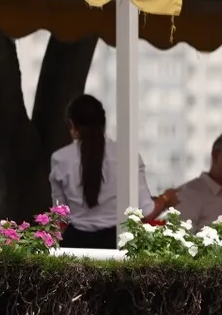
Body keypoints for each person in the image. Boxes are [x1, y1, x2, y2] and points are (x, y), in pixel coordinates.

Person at [49, 94, 177, 248]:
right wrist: (166, 198)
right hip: (116, 245)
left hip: (74, 246)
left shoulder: (60, 158)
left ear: (71, 125)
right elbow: (147, 211)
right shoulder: (128, 156)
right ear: (104, 123)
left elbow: (60, 217)